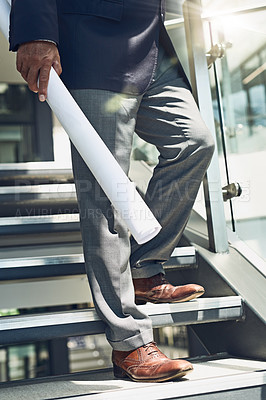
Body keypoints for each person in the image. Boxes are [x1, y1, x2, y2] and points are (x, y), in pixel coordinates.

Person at [9, 0, 215, 383]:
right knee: (107, 196)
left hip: (153, 44)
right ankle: (129, 344)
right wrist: (35, 33)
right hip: (91, 42)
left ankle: (142, 266)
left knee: (195, 142)